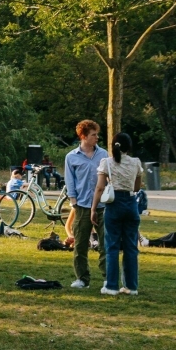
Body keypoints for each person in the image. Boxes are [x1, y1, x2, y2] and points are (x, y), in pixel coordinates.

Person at [95, 131, 145, 296]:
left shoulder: (106, 163)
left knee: (112, 246)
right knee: (131, 247)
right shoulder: (136, 163)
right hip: (130, 204)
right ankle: (131, 286)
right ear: (129, 147)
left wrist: (93, 208)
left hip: (114, 204)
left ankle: (111, 286)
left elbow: (100, 188)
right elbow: (137, 187)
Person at [63, 119, 110, 289]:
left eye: (97, 134)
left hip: (103, 206)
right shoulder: (71, 157)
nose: (97, 137)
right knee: (81, 243)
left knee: (106, 243)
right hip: (82, 206)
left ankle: (108, 278)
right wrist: (74, 202)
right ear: (83, 136)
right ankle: (82, 279)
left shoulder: (103, 155)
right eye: (94, 134)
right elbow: (70, 181)